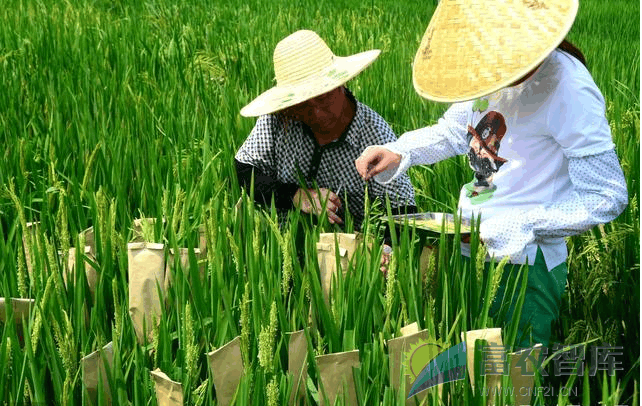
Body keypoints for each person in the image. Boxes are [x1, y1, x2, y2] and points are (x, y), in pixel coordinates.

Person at [355, 0, 628, 349]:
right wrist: (401, 150)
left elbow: (606, 195)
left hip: (524, 266)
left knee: (513, 381)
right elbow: (456, 130)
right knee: (468, 374)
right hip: (467, 250)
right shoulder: (486, 67)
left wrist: (523, 225)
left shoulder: (569, 86)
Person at [236, 30, 416, 258]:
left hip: (348, 262)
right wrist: (297, 195)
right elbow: (243, 171)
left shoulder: (373, 132)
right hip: (282, 253)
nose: (316, 113)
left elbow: (403, 209)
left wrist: (386, 250)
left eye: (322, 98)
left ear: (340, 84)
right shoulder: (279, 119)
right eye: (302, 104)